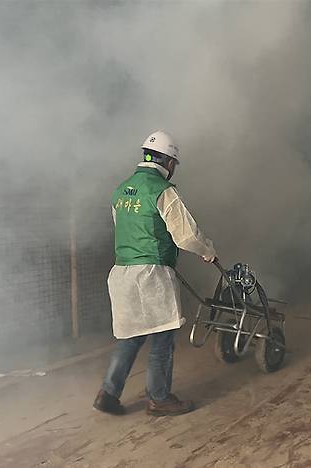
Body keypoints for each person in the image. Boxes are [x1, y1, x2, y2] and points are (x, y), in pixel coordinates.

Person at [93, 130, 216, 417]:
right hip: (152, 275)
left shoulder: (120, 190)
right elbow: (186, 235)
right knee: (162, 338)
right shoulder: (163, 190)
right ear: (169, 162)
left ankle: (108, 393)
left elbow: (124, 227)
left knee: (131, 337)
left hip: (122, 273)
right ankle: (159, 398)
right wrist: (208, 251)